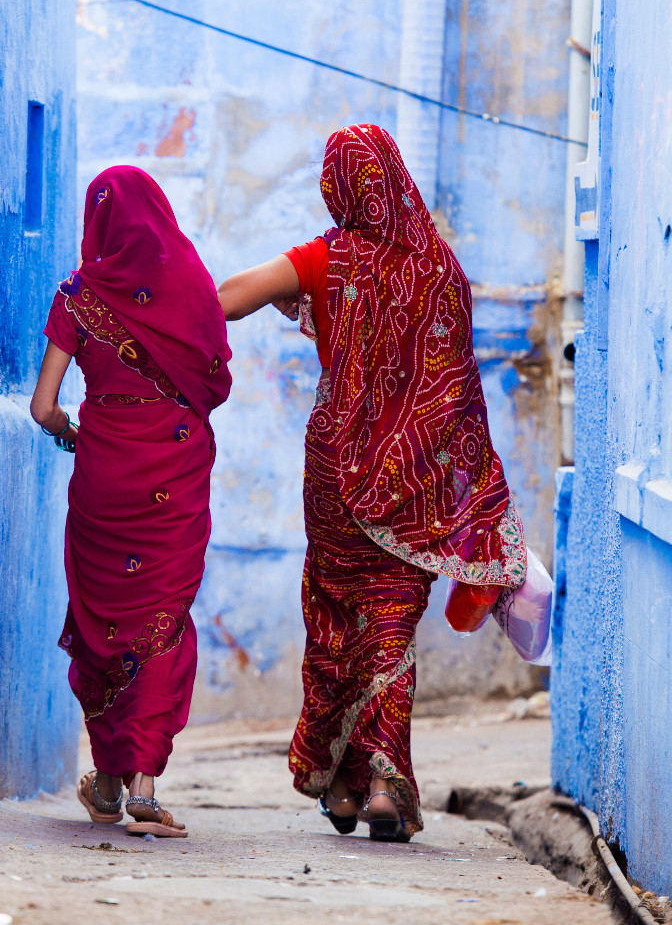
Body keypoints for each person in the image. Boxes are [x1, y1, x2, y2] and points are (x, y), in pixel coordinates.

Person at [214, 124, 527, 842]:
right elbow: (451, 384)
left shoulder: (329, 258)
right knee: (390, 623)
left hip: (335, 471)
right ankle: (385, 780)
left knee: (336, 618)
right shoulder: (440, 267)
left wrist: (288, 298)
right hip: (413, 476)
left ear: (337, 185)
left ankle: (345, 787)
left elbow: (227, 297)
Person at [28, 165, 231, 839]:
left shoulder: (78, 295)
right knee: (163, 617)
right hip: (173, 469)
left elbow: (44, 408)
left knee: (102, 624)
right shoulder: (194, 287)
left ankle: (109, 779)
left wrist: (75, 437)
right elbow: (216, 382)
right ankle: (140, 784)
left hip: (103, 474)